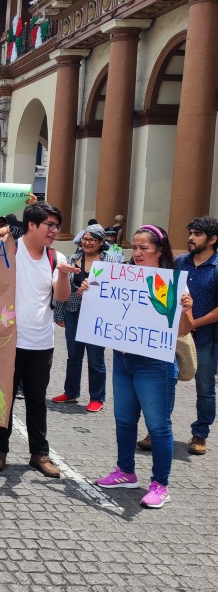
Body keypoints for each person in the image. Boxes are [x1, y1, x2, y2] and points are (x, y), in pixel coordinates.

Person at [93, 225, 194, 509]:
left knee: (158, 427)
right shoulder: (122, 276)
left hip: (155, 365)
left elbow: (184, 330)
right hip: (124, 360)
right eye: (134, 248)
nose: (136, 253)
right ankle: (125, 472)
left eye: (144, 248)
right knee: (124, 421)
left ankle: (160, 485)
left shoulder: (172, 282)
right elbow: (105, 311)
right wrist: (91, 292)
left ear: (159, 251)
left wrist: (186, 308)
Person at [0, 202, 78, 477]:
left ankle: (39, 454)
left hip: (41, 341)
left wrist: (63, 274)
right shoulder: (9, 249)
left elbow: (61, 297)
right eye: (49, 225)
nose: (54, 231)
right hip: (7, 341)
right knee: (4, 398)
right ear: (31, 225)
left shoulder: (55, 257)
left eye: (56, 226)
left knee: (37, 400)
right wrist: (1, 232)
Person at [161, 216, 218, 456]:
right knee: (166, 383)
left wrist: (194, 323)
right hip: (175, 336)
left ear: (213, 239)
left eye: (197, 234)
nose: (191, 238)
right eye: (191, 233)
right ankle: (160, 430)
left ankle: (200, 433)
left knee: (205, 386)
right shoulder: (180, 262)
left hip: (206, 339)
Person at [51, 224, 123, 412]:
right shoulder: (73, 259)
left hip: (98, 316)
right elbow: (63, 286)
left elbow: (117, 290)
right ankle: (70, 392)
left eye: (92, 239)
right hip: (74, 312)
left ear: (101, 242)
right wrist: (60, 313)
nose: (88, 242)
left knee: (95, 358)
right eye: (85, 238)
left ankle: (97, 397)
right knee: (73, 356)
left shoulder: (111, 262)